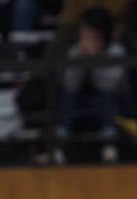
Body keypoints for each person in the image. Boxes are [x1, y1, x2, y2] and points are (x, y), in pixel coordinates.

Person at [53, 7, 128, 165]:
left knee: (108, 97)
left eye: (88, 30)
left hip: (110, 105)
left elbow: (110, 85)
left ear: (100, 32)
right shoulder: (75, 51)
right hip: (81, 103)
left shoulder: (116, 51)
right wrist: (81, 59)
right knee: (66, 97)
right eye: (83, 29)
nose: (83, 34)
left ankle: (110, 144)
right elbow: (70, 85)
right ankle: (60, 144)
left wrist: (95, 59)